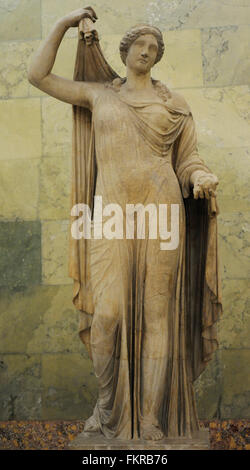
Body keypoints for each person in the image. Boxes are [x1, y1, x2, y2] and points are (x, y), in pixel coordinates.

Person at [28, 7, 222, 441]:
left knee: (157, 317)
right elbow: (38, 76)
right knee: (109, 314)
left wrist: (201, 177)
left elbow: (188, 160)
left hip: (163, 213)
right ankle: (108, 403)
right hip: (112, 216)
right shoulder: (100, 96)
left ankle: (150, 417)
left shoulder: (174, 105)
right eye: (141, 45)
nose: (148, 53)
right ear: (127, 49)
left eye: (155, 49)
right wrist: (62, 24)